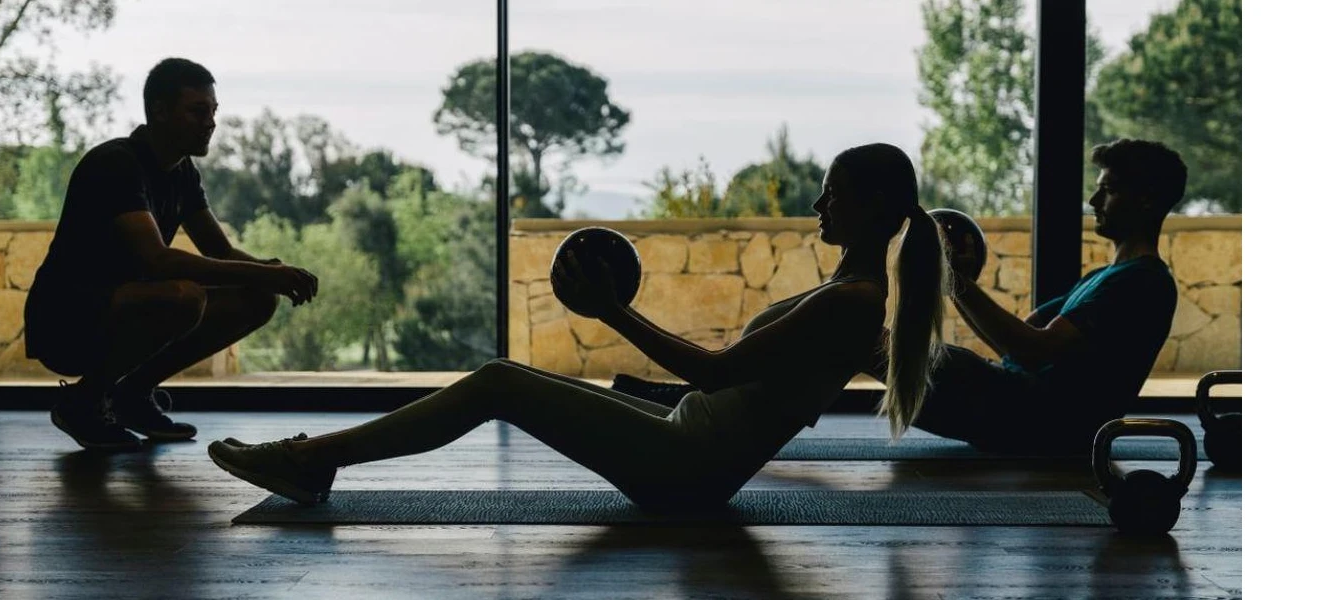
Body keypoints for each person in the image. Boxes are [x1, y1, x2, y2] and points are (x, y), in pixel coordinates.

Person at [208, 143, 949, 509]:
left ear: (877, 207)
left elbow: (718, 371)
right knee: (512, 378)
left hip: (688, 468)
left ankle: (313, 462)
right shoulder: (848, 291)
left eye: (833, 194)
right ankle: (314, 460)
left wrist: (612, 312)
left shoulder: (851, 301)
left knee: (498, 381)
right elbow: (749, 391)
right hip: (691, 436)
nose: (819, 205)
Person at [25, 57, 320, 452]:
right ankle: (84, 402)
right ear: (159, 111)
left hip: (117, 312)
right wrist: (265, 274)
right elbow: (158, 261)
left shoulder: (181, 173)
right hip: (66, 324)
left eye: (213, 112)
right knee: (184, 296)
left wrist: (271, 272)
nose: (211, 122)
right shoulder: (117, 163)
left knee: (256, 298)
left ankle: (131, 396)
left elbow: (221, 251)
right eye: (198, 111)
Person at [880, 138, 1185, 453]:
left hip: (1038, 420)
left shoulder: (1144, 281)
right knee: (863, 337)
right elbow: (1016, 341)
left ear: (1146, 201)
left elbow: (1032, 350)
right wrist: (958, 285)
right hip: (1014, 401)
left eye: (1109, 190)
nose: (1094, 200)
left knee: (861, 336)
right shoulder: (1104, 276)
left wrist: (959, 282)